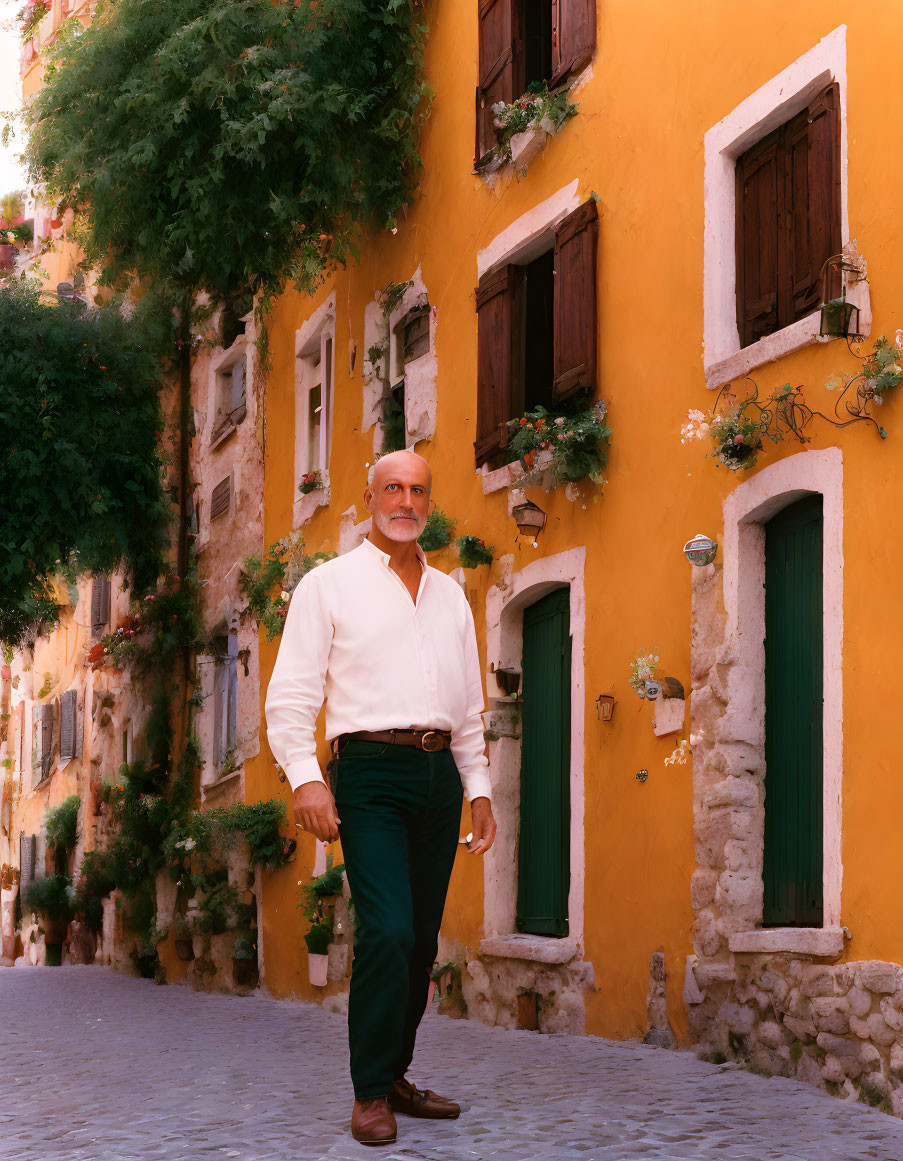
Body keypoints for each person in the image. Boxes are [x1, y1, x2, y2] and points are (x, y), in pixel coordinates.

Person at [265, 449, 497, 1147]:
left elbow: (469, 706)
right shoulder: (327, 585)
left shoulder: (450, 592)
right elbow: (292, 695)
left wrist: (478, 788)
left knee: (421, 940)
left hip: (437, 773)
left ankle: (394, 1073)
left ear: (428, 501)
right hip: (366, 770)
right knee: (388, 929)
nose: (405, 500)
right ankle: (369, 1092)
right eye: (392, 488)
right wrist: (305, 775)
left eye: (417, 490)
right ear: (369, 497)